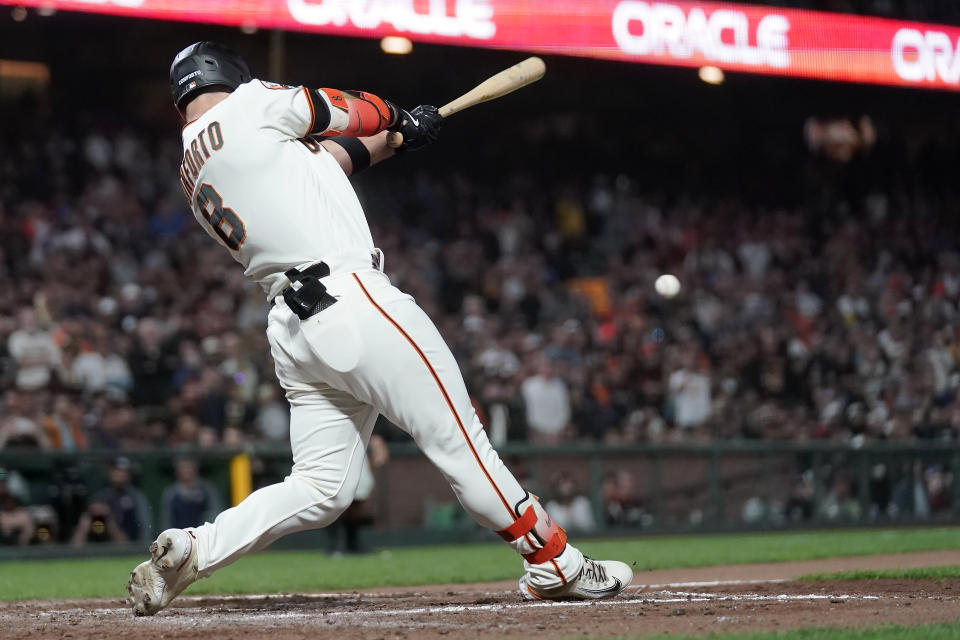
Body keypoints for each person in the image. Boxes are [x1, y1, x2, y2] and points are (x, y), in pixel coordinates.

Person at [127, 41, 631, 616]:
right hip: (352, 299)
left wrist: (404, 134)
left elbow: (329, 161)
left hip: (293, 328)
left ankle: (196, 549)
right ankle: (555, 563)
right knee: (460, 440)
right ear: (233, 74)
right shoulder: (249, 105)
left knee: (321, 487)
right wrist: (394, 115)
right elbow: (342, 107)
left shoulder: (195, 164)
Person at [160, 457, 222, 531]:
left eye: (189, 467)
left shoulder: (207, 490)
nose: (186, 471)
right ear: (176, 471)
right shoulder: (171, 493)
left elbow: (216, 514)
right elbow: (167, 521)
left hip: (203, 537)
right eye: (183, 467)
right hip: (178, 538)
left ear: (196, 469)